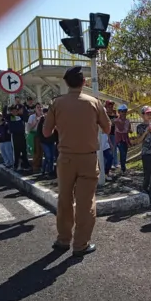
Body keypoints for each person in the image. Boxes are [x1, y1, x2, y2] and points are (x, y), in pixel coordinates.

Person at [43, 66, 111, 257]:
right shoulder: (94, 103)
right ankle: (80, 244)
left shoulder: (56, 103)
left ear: (66, 83)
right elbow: (107, 129)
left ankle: (63, 240)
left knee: (64, 198)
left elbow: (46, 132)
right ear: (83, 83)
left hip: (65, 159)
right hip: (88, 158)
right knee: (85, 202)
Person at [132, 106, 151, 194]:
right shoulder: (139, 127)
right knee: (147, 173)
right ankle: (145, 187)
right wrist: (146, 132)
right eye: (147, 114)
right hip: (146, 153)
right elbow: (138, 140)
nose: (149, 116)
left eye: (150, 114)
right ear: (143, 115)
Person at [7, 104, 30, 171]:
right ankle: (16, 165)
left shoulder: (21, 116)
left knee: (24, 150)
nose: (15, 112)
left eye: (16, 111)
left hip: (22, 135)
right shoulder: (10, 117)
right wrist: (9, 108)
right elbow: (5, 114)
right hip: (15, 136)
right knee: (16, 151)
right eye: (13, 111)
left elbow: (26, 116)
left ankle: (26, 164)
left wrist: (20, 105)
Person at [37, 108, 58, 178]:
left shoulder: (53, 121)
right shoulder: (41, 121)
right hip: (44, 142)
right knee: (49, 156)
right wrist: (42, 139)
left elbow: (56, 131)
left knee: (50, 157)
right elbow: (39, 132)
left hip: (52, 141)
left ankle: (46, 170)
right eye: (45, 113)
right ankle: (49, 171)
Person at [113, 104, 132, 174]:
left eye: (125, 111)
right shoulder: (117, 120)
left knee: (125, 153)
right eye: (122, 111)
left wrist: (130, 130)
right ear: (119, 112)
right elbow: (120, 128)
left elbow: (128, 129)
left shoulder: (127, 121)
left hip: (125, 139)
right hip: (119, 139)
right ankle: (123, 168)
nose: (124, 113)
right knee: (122, 153)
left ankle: (123, 167)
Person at [27, 102, 43, 172]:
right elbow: (29, 129)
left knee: (41, 151)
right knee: (36, 151)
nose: (39, 109)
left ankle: (40, 165)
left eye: (40, 107)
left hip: (42, 135)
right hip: (34, 135)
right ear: (35, 109)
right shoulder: (32, 117)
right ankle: (35, 167)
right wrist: (36, 121)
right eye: (38, 107)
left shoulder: (44, 115)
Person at [104, 100, 119, 170]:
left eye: (112, 106)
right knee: (108, 148)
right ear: (106, 107)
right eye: (109, 106)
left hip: (113, 133)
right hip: (107, 133)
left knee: (114, 148)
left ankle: (115, 162)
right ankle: (109, 164)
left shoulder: (115, 114)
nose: (110, 107)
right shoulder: (104, 114)